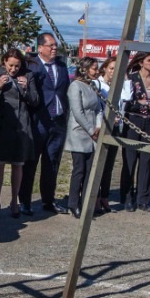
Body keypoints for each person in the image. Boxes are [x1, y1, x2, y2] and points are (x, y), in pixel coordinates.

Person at [19, 32, 71, 215]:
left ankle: (48, 201)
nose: (55, 48)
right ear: (40, 48)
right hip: (38, 121)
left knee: (52, 163)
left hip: (57, 122)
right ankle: (24, 201)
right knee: (31, 163)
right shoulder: (32, 67)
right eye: (51, 45)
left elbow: (63, 91)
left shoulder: (62, 67)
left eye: (55, 45)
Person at [0, 48, 38, 218]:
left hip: (20, 125)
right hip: (1, 124)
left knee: (18, 164)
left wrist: (26, 89)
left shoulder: (28, 75)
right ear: (4, 62)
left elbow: (35, 100)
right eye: (10, 65)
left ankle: (15, 201)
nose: (13, 69)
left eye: (17, 66)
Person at [121, 52, 150, 211]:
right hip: (133, 121)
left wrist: (145, 103)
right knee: (130, 159)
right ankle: (127, 197)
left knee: (147, 160)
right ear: (141, 63)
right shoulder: (132, 78)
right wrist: (144, 104)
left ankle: (143, 199)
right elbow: (129, 102)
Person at [65, 57, 104, 218]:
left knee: (90, 171)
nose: (97, 71)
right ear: (85, 69)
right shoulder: (75, 86)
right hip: (79, 133)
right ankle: (73, 204)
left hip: (92, 134)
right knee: (79, 169)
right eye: (94, 68)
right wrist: (90, 129)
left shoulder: (93, 86)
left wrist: (98, 126)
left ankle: (86, 202)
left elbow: (98, 108)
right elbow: (77, 111)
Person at [95, 56, 121, 215]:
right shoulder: (98, 84)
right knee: (99, 164)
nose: (113, 72)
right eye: (111, 68)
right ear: (104, 68)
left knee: (109, 165)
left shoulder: (118, 85)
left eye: (116, 69)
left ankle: (104, 195)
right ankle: (95, 197)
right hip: (102, 127)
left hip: (115, 128)